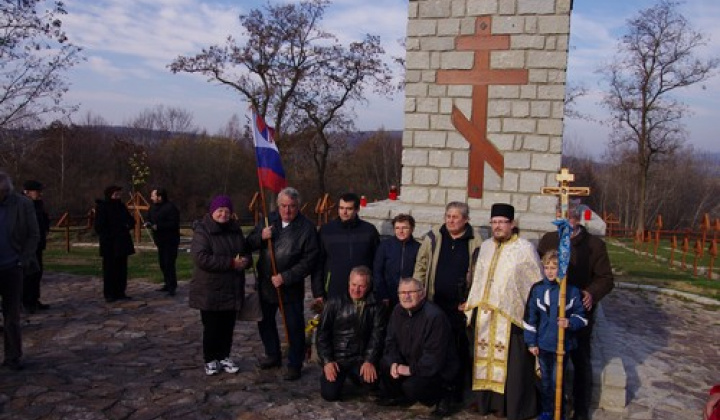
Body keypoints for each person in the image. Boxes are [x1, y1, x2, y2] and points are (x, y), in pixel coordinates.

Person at [463, 203, 542, 420]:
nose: (497, 226)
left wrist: (530, 314)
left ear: (512, 224)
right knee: (482, 358)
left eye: (502, 222)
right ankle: (484, 402)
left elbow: (534, 283)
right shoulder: (486, 246)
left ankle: (508, 406)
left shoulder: (525, 248)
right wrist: (472, 304)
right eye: (494, 222)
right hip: (485, 313)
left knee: (512, 365)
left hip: (511, 316)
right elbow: (478, 279)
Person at [537, 205, 614, 420]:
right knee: (548, 363)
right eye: (562, 217)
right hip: (551, 314)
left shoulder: (594, 245)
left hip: (579, 313)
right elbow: (539, 269)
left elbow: (606, 278)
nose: (567, 222)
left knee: (580, 361)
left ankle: (580, 411)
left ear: (578, 219)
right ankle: (549, 408)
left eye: (571, 218)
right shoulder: (548, 240)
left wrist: (591, 292)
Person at [247, 187, 319, 381]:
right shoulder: (268, 221)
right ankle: (272, 354)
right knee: (265, 322)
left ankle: (294, 363)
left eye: (292, 206)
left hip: (290, 285)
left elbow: (310, 259)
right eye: (284, 206)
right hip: (266, 283)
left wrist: (286, 277)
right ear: (278, 205)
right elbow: (249, 243)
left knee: (294, 325)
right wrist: (261, 236)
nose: (287, 210)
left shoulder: (306, 228)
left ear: (298, 206)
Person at [413, 201, 481, 403]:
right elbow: (421, 264)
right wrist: (418, 290)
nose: (450, 220)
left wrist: (470, 300)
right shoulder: (434, 236)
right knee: (435, 346)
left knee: (457, 350)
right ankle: (435, 389)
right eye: (448, 216)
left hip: (459, 307)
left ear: (466, 219)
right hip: (434, 302)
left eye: (455, 217)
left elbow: (479, 274)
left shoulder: (475, 241)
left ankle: (455, 392)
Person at [189, 195, 251, 376]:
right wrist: (231, 263)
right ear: (212, 212)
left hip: (231, 287)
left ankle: (224, 355)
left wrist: (245, 261)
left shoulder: (235, 230)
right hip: (210, 289)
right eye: (220, 211)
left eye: (227, 211)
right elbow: (202, 258)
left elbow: (244, 250)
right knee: (212, 327)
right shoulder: (203, 231)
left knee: (227, 326)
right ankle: (210, 359)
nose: (223, 214)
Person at [377, 277, 458, 417]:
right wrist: (394, 363)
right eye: (402, 293)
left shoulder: (434, 316)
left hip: (436, 371)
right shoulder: (397, 311)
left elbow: (434, 359)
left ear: (422, 293)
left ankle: (443, 397)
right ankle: (398, 396)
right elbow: (391, 342)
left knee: (412, 387)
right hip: (410, 363)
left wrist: (409, 370)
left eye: (411, 292)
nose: (406, 296)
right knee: (385, 363)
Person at [524, 250, 588, 420]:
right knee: (545, 382)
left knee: (557, 381)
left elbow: (581, 317)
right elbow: (531, 317)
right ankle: (546, 411)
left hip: (562, 345)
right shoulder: (538, 289)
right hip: (543, 344)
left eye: (555, 267)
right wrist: (531, 342)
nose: (550, 271)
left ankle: (560, 412)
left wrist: (570, 322)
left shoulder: (571, 291)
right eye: (547, 267)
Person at [316, 266, 388, 401]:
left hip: (361, 358)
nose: (356, 289)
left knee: (373, 385)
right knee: (330, 394)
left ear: (368, 286)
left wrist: (369, 360)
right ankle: (344, 376)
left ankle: (356, 376)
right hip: (339, 358)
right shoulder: (334, 303)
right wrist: (327, 361)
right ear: (349, 283)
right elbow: (322, 335)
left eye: (361, 286)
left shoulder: (377, 305)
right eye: (354, 284)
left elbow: (377, 335)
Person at [0, 171, 40, 370]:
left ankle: (13, 356)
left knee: (12, 316)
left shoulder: (22, 205)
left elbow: (33, 234)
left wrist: (23, 260)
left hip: (12, 266)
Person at [314, 192, 379, 300]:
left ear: (357, 209)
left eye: (349, 209)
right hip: (333, 289)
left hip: (361, 290)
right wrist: (318, 292)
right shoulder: (326, 231)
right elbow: (318, 263)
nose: (344, 212)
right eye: (341, 208)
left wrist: (375, 288)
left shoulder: (369, 230)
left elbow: (377, 262)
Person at [94, 185, 135, 303]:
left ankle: (120, 291)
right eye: (115, 194)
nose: (117, 196)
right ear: (109, 195)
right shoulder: (102, 207)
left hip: (122, 242)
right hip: (109, 244)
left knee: (122, 269)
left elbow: (130, 220)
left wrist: (128, 225)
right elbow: (99, 227)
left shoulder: (121, 206)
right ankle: (109, 293)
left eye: (119, 194)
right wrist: (114, 231)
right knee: (109, 269)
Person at [372, 214, 420, 308]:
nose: (400, 231)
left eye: (404, 228)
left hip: (409, 295)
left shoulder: (418, 248)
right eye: (397, 228)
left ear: (412, 229)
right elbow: (377, 271)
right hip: (388, 295)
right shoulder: (385, 246)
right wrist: (383, 293)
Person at [22, 180, 51, 313]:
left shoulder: (38, 204)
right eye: (37, 191)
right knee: (28, 274)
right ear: (28, 192)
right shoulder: (21, 204)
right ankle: (26, 301)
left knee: (37, 273)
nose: (40, 194)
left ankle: (34, 299)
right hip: (26, 245)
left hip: (38, 243)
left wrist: (46, 228)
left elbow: (44, 219)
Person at [147, 187, 181, 296]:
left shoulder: (170, 208)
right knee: (162, 264)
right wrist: (148, 223)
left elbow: (173, 223)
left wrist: (159, 226)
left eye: (153, 195)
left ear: (160, 197)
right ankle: (167, 283)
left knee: (169, 263)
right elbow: (149, 218)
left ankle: (172, 286)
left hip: (170, 240)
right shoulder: (152, 207)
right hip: (160, 240)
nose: (151, 198)